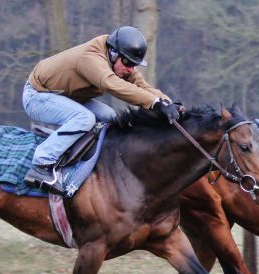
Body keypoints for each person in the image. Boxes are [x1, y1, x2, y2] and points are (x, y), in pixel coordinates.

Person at [23, 26, 182, 194]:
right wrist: (154, 103)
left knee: (111, 118)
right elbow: (112, 84)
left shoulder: (118, 60)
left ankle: (96, 162)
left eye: (134, 65)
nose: (130, 69)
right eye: (128, 63)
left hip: (67, 96)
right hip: (37, 97)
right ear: (113, 54)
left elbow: (142, 86)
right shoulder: (91, 59)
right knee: (85, 119)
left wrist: (166, 103)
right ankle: (41, 165)